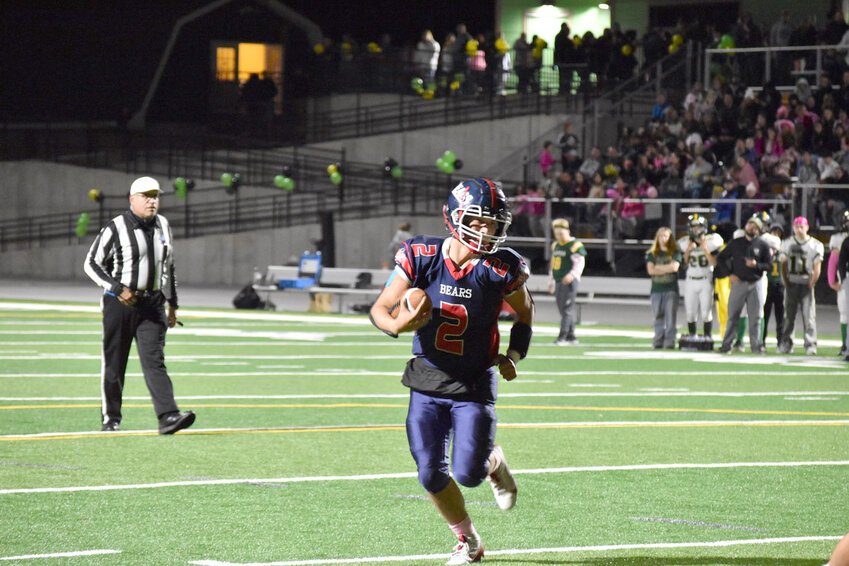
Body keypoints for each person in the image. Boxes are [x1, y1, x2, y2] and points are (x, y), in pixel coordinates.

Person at [369, 178, 534, 565]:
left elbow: (525, 312)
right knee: (429, 473)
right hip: (426, 379)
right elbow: (380, 308)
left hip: (474, 382)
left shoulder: (500, 267)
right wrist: (398, 326)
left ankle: (493, 462)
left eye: (493, 223)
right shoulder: (422, 254)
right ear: (455, 217)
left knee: (469, 473)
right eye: (477, 221)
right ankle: (468, 541)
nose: (486, 230)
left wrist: (514, 354)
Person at [83, 176, 195, 434]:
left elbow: (169, 266)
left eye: (155, 196)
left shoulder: (164, 225)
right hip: (120, 304)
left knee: (155, 361)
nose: (152, 201)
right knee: (115, 362)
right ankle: (111, 418)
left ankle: (168, 416)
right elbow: (91, 263)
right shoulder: (117, 226)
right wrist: (116, 288)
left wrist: (173, 305)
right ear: (132, 200)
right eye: (146, 196)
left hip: (152, 304)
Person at [717, 216, 772, 354]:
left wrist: (757, 265)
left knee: (756, 317)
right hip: (739, 283)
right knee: (733, 316)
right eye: (750, 225)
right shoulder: (736, 243)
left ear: (759, 230)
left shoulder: (763, 245)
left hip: (756, 283)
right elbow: (721, 258)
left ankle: (756, 346)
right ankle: (727, 344)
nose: (751, 228)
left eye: (755, 226)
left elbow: (769, 266)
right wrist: (729, 274)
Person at [777, 216, 824, 355]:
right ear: (793, 228)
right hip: (792, 283)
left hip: (806, 283)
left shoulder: (815, 245)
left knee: (809, 317)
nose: (799, 229)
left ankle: (810, 344)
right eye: (796, 226)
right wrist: (785, 281)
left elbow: (817, 266)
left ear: (807, 227)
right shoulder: (787, 243)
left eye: (801, 226)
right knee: (788, 317)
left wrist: (812, 282)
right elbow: (783, 264)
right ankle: (786, 343)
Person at [677, 214, 723, 340]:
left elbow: (714, 263)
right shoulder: (685, 243)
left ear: (704, 228)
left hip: (705, 280)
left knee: (706, 312)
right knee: (690, 313)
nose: (696, 230)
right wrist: (688, 251)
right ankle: (692, 336)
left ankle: (707, 336)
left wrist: (706, 250)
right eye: (694, 227)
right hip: (691, 280)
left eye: (699, 227)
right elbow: (684, 263)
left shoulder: (712, 241)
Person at [548, 218, 586, 345]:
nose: (559, 236)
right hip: (558, 279)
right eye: (557, 234)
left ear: (568, 231)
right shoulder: (556, 245)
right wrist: (551, 281)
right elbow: (553, 264)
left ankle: (562, 336)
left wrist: (572, 275)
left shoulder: (574, 245)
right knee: (562, 309)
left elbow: (580, 263)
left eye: (561, 234)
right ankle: (571, 335)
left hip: (569, 281)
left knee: (566, 309)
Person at [646, 226, 682, 349]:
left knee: (670, 317)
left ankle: (670, 341)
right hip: (656, 289)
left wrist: (658, 268)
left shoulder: (675, 252)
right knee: (657, 316)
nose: (663, 238)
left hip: (671, 288)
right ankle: (658, 339)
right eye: (661, 236)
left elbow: (674, 268)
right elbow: (651, 270)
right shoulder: (652, 253)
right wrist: (666, 268)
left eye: (666, 236)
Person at [827, 210, 849, 356]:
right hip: (846, 276)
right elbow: (834, 261)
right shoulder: (838, 239)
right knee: (845, 312)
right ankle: (845, 345)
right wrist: (832, 280)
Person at [763, 222, 786, 349]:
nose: (776, 234)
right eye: (774, 231)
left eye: (778, 232)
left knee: (780, 316)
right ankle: (762, 341)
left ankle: (780, 342)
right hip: (767, 284)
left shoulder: (783, 247)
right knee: (764, 315)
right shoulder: (765, 247)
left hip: (780, 285)